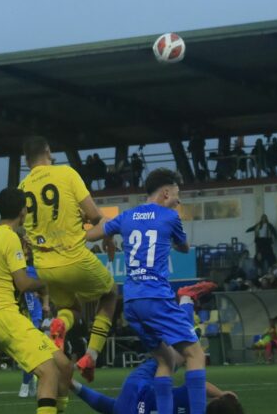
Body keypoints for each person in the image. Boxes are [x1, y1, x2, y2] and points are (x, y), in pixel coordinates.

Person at [85, 168, 211, 414]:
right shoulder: (170, 217)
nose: (179, 200)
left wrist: (87, 225)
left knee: (166, 360)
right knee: (195, 355)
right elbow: (184, 247)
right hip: (156, 297)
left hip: (132, 302)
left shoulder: (127, 216)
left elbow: (91, 235)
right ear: (165, 192)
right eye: (177, 194)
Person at [19, 136, 117, 382]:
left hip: (44, 265)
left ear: (25, 160)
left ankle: (60, 324)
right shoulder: (66, 174)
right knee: (111, 294)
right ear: (48, 151)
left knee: (69, 309)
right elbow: (96, 216)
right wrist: (108, 237)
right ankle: (91, 356)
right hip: (73, 257)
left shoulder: (22, 188)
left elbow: (23, 229)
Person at [70, 294, 243, 414]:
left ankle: (186, 303)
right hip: (131, 403)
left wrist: (221, 394)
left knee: (173, 359)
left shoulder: (193, 401)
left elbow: (199, 385)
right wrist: (74, 387)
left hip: (139, 387)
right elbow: (108, 406)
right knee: (116, 408)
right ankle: (74, 386)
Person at [0, 187, 72, 414]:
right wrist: (43, 284)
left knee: (64, 366)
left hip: (1, 316)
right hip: (8, 316)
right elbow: (23, 283)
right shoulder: (10, 238)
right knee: (49, 371)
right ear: (23, 211)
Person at [20, 291, 44, 398]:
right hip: (21, 331)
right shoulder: (19, 300)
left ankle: (25, 386)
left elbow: (37, 321)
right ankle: (31, 382)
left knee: (30, 359)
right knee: (28, 360)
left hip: (31, 332)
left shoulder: (35, 302)